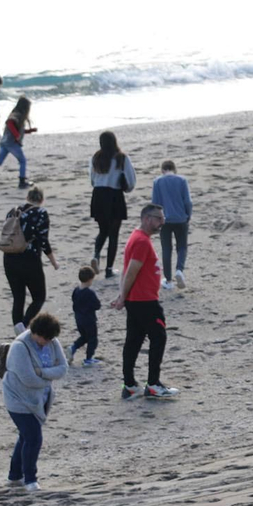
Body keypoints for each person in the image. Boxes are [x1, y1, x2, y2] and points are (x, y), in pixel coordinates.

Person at [111, 204, 180, 399]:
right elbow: (131, 271)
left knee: (133, 341)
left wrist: (122, 296)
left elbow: (126, 270)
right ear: (146, 219)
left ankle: (131, 385)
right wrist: (122, 297)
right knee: (158, 337)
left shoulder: (137, 237)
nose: (162, 222)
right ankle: (153, 384)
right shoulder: (141, 241)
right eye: (159, 218)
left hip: (137, 300)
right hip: (144, 301)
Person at [2, 312, 67, 492]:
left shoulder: (53, 342)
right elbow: (28, 378)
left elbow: (63, 368)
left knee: (25, 436)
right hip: (17, 399)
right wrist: (47, 377)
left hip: (40, 399)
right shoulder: (20, 347)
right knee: (33, 437)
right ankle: (30, 479)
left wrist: (42, 373)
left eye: (49, 338)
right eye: (43, 338)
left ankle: (14, 476)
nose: (46, 341)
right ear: (34, 332)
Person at [3, 188, 59, 332]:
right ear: (41, 200)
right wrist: (53, 261)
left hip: (9, 257)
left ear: (27, 197)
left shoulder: (13, 211)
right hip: (29, 259)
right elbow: (43, 239)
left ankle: (18, 327)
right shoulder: (41, 213)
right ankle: (24, 325)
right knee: (39, 297)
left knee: (18, 297)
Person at [89, 131, 137, 278]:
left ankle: (96, 255)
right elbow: (130, 180)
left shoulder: (96, 157)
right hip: (114, 195)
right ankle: (109, 269)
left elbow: (92, 179)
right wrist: (127, 189)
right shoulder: (121, 158)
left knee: (103, 230)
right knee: (113, 235)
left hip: (98, 195)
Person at [151, 160, 193, 289]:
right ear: (174, 169)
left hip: (164, 220)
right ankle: (179, 270)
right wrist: (188, 215)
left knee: (166, 249)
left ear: (163, 170)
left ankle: (168, 281)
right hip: (181, 218)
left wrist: (156, 221)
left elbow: (155, 204)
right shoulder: (182, 180)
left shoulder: (157, 182)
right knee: (182, 247)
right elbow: (188, 202)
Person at [69, 265, 103, 367]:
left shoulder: (76, 290)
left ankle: (73, 348)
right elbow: (97, 305)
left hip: (78, 318)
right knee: (92, 339)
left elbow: (73, 301)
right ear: (90, 279)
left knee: (84, 337)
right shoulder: (89, 293)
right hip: (89, 319)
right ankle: (88, 358)